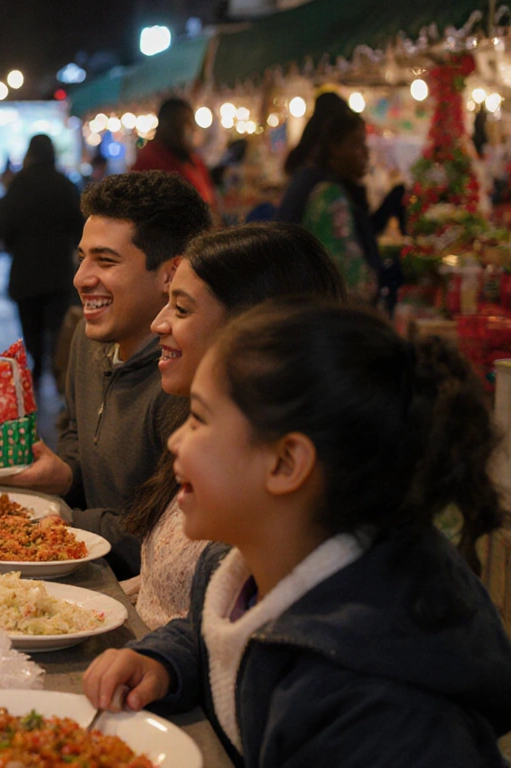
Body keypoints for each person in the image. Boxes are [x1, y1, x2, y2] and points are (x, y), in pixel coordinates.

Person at [84, 301, 511, 764]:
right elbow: (234, 637)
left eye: (200, 419)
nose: (174, 441)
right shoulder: (242, 570)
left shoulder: (374, 708)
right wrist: (166, 661)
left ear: (287, 463)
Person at [122, 223, 346, 628]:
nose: (158, 323)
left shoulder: (270, 478)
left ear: (253, 327)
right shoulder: (194, 417)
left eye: (182, 308)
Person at [0, 171, 212, 579]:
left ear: (171, 273)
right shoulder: (88, 336)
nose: (81, 279)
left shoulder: (191, 375)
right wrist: (65, 475)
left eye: (106, 260)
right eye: (83, 258)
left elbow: (163, 538)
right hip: (85, 567)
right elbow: (75, 431)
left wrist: (64, 522)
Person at [0, 134, 85, 384]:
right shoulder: (65, 184)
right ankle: (57, 371)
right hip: (58, 269)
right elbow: (79, 226)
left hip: (25, 269)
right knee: (57, 323)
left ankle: (35, 364)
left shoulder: (18, 185)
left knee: (30, 323)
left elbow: (4, 227)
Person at [277, 108, 386, 306]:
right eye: (357, 144)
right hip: (315, 315)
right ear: (335, 148)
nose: (366, 152)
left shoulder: (310, 180)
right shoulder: (328, 194)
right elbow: (353, 282)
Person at [131, 98, 215, 208]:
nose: (192, 129)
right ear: (167, 126)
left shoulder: (192, 160)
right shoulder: (149, 164)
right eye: (185, 123)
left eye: (192, 123)